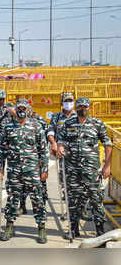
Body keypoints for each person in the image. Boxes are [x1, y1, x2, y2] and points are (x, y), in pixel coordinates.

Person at [57, 97, 112, 238]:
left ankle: (100, 231)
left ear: (89, 108)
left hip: (91, 170)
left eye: (85, 106)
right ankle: (73, 230)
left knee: (96, 199)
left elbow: (107, 144)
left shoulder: (97, 123)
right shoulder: (68, 123)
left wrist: (107, 165)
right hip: (73, 169)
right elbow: (61, 141)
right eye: (80, 106)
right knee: (73, 200)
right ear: (76, 108)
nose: (83, 109)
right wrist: (61, 148)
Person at [0, 99, 49, 244]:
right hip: (14, 170)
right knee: (13, 199)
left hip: (32, 170)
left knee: (37, 199)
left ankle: (41, 227)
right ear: (15, 110)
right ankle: (9, 226)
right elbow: (1, 150)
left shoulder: (36, 127)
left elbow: (43, 150)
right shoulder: (8, 128)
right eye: (18, 108)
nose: (21, 110)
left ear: (28, 109)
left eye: (23, 108)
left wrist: (44, 169)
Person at [18, 106, 49, 215]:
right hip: (24, 159)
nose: (22, 111)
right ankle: (22, 206)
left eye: (24, 109)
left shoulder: (38, 120)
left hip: (37, 157)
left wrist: (42, 160)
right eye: (20, 109)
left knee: (40, 185)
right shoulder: (17, 120)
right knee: (22, 185)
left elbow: (43, 140)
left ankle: (42, 206)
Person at [0, 89, 14, 193]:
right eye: (0, 99)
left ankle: (10, 183)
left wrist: (12, 112)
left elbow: (17, 118)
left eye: (3, 99)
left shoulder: (10, 107)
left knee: (12, 163)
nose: (1, 101)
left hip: (9, 140)